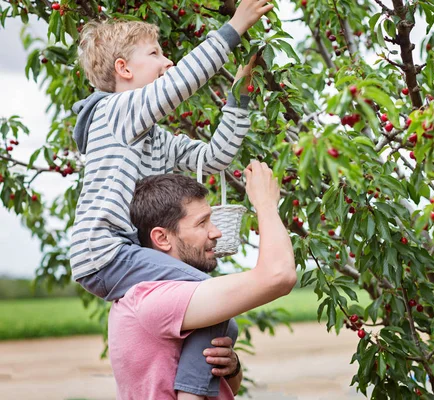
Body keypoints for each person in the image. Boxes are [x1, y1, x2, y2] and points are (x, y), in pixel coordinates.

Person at [69, 0, 274, 397]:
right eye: (155, 53)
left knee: (224, 321)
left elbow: (212, 159)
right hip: (105, 249)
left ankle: (194, 386)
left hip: (123, 252)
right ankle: (191, 395)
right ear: (123, 70)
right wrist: (235, 27)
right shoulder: (113, 111)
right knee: (217, 297)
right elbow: (179, 85)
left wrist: (239, 100)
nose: (168, 62)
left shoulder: (154, 136)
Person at [109, 161, 296, 399]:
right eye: (202, 223)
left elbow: (226, 389)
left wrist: (232, 367)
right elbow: (279, 275)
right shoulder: (153, 299)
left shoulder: (178, 294)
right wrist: (266, 204)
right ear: (162, 238)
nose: (216, 232)